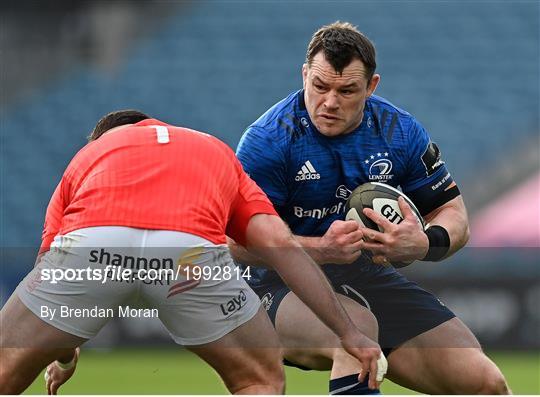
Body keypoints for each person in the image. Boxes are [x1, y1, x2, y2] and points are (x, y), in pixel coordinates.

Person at [0, 110, 387, 394]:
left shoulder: (89, 157)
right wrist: (348, 333)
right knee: (260, 379)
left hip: (97, 243)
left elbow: (48, 272)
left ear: (106, 138)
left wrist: (64, 355)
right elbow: (279, 245)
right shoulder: (214, 150)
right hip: (188, 256)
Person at [232, 22, 510, 394]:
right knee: (357, 338)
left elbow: (454, 214)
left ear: (371, 86)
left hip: (363, 276)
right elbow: (233, 243)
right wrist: (320, 249)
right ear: (304, 74)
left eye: (346, 90)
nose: (329, 101)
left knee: (484, 384)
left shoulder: (400, 132)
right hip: (273, 284)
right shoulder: (269, 141)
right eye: (319, 86)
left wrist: (423, 243)